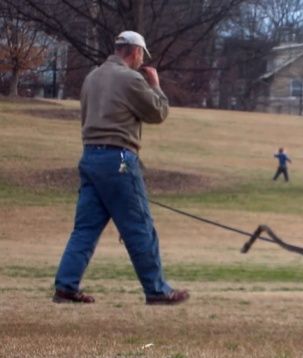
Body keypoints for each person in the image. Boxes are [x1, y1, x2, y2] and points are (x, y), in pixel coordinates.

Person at [52, 31, 189, 305]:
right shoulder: (131, 78)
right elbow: (157, 113)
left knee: (85, 229)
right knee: (139, 226)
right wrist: (156, 85)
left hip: (90, 157)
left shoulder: (92, 77)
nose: (141, 61)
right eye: (141, 55)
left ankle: (66, 286)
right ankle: (157, 290)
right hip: (120, 159)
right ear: (135, 51)